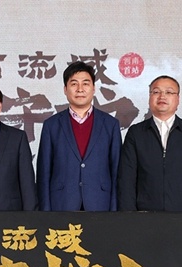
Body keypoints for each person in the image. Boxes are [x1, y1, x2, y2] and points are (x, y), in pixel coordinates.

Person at [37, 61, 121, 211]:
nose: (80, 89)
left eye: (85, 84)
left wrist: (115, 211)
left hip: (100, 204)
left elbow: (116, 172)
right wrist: (45, 212)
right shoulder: (51, 125)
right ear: (65, 89)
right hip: (62, 204)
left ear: (93, 88)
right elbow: (44, 173)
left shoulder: (110, 124)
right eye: (74, 84)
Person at [118, 75, 182, 211]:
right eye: (156, 92)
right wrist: (130, 215)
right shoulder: (136, 133)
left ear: (178, 99)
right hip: (143, 215)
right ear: (149, 98)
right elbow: (127, 178)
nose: (162, 96)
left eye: (169, 92)